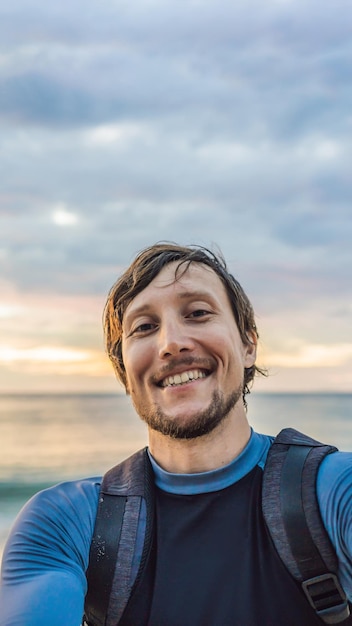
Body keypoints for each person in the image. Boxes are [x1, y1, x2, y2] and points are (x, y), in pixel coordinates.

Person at [1, 242, 352, 626]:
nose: (171, 343)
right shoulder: (68, 522)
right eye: (144, 327)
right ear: (124, 369)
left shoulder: (331, 491)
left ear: (248, 344)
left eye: (198, 313)